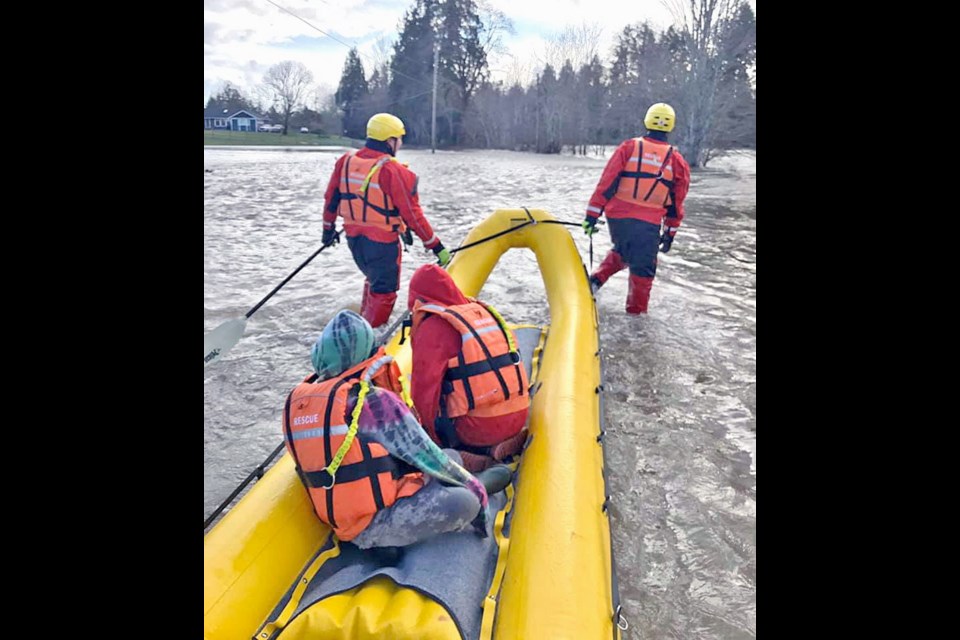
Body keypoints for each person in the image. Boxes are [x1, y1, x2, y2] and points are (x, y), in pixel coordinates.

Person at [282, 309, 511, 549]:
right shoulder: (373, 402)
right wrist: (477, 494)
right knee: (464, 500)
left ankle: (390, 539)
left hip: (345, 517)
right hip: (375, 524)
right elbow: (429, 457)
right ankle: (481, 485)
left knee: (452, 458)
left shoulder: (298, 404)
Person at [321, 113, 451, 328]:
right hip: (382, 244)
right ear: (390, 141)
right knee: (385, 291)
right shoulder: (393, 170)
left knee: (374, 281)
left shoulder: (345, 162)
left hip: (355, 241)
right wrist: (436, 246)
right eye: (399, 139)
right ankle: (370, 341)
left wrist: (327, 231)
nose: (400, 144)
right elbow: (412, 214)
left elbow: (331, 199)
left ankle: (362, 323)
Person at [406, 265, 530, 472]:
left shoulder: (434, 326)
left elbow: (424, 393)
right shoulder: (482, 312)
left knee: (430, 415)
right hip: (519, 412)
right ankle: (499, 443)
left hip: (478, 428)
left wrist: (427, 433)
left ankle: (470, 454)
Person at [582, 102, 691, 314]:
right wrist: (670, 233)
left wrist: (592, 216)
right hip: (648, 221)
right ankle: (636, 320)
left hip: (618, 218)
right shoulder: (677, 161)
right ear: (671, 126)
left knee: (626, 250)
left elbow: (606, 183)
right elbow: (677, 202)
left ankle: (595, 281)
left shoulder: (629, 147)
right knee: (643, 268)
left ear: (647, 121)